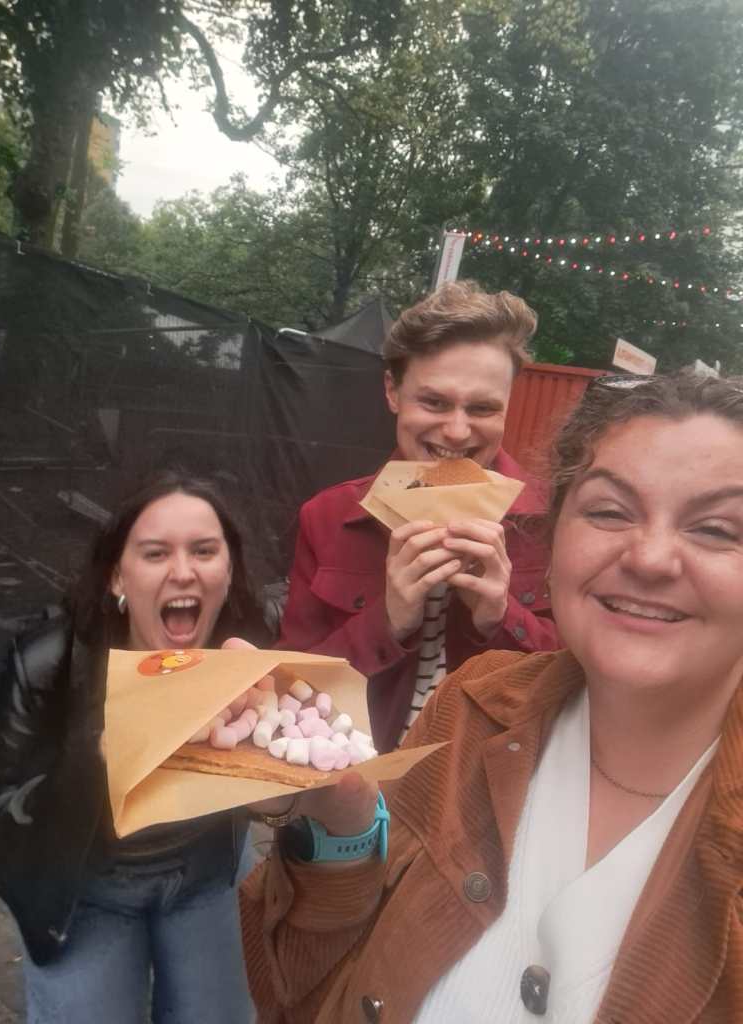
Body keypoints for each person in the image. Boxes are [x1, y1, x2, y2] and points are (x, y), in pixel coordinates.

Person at [241, 371, 743, 1023]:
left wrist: (497, 614)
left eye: (716, 529)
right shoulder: (469, 708)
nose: (649, 558)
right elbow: (304, 980)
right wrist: (342, 825)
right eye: (609, 511)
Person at [0, 469, 270, 1024]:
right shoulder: (46, 662)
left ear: (229, 571)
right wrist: (104, 755)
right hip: (85, 890)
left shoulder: (243, 646)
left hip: (207, 874)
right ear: (117, 575)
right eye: (156, 553)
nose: (183, 571)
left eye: (204, 551)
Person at [279, 281, 559, 752]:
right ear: (393, 391)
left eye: (483, 408)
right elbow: (289, 689)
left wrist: (500, 617)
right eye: (434, 402)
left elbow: (582, 687)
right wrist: (386, 623)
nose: (457, 431)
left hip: (495, 782)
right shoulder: (327, 518)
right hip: (355, 778)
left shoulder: (553, 522)